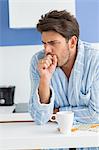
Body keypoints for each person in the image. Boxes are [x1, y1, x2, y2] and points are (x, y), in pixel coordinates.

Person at [29, 10, 99, 150]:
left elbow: (96, 114)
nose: (47, 50)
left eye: (53, 43)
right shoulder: (38, 61)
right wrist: (45, 79)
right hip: (55, 145)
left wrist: (56, 113)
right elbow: (40, 117)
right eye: (44, 43)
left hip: (91, 145)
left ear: (72, 42)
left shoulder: (95, 61)